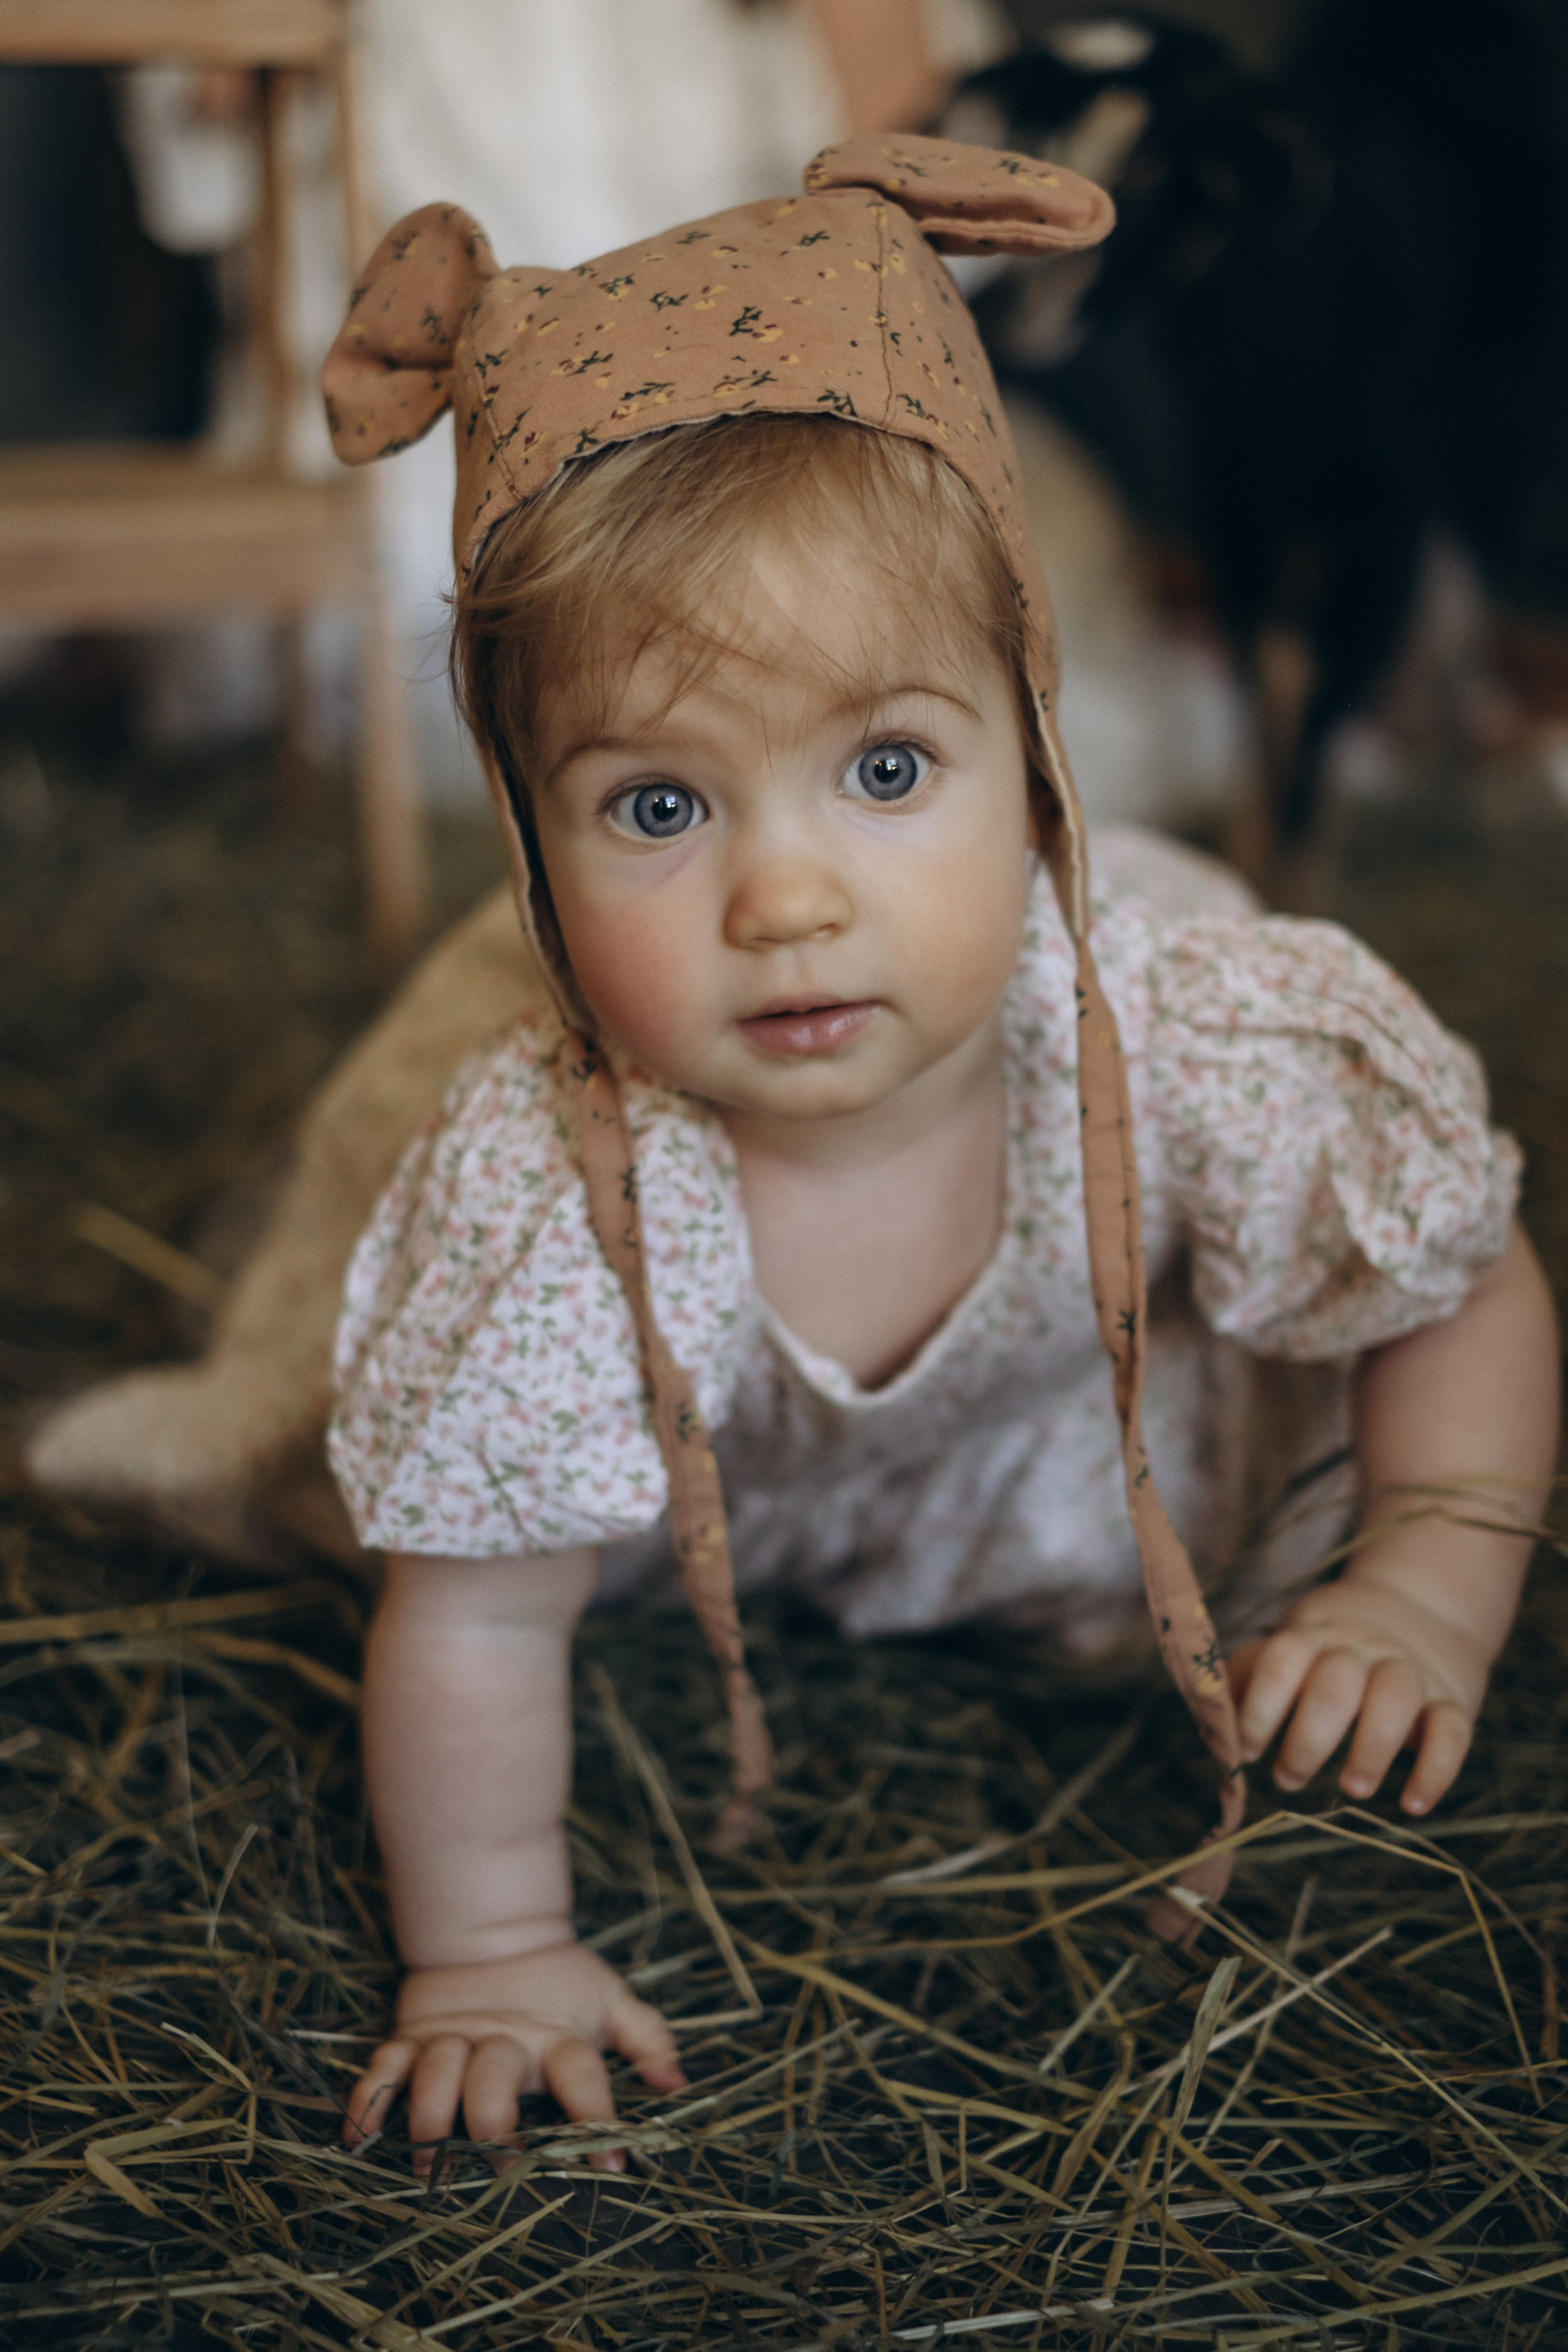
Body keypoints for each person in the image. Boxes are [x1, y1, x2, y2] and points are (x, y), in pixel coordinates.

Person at [318, 136, 1558, 2171]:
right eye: (653, 809)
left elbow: (1458, 1262)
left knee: (1346, 1361)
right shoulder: (573, 1191)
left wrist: (1428, 1576)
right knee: (377, 1476)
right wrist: (492, 1953)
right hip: (743, 1475)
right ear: (527, 838)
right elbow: (469, 1616)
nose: (785, 898)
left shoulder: (1182, 1036)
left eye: (886, 770)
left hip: (1084, 1407)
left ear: (1036, 750)